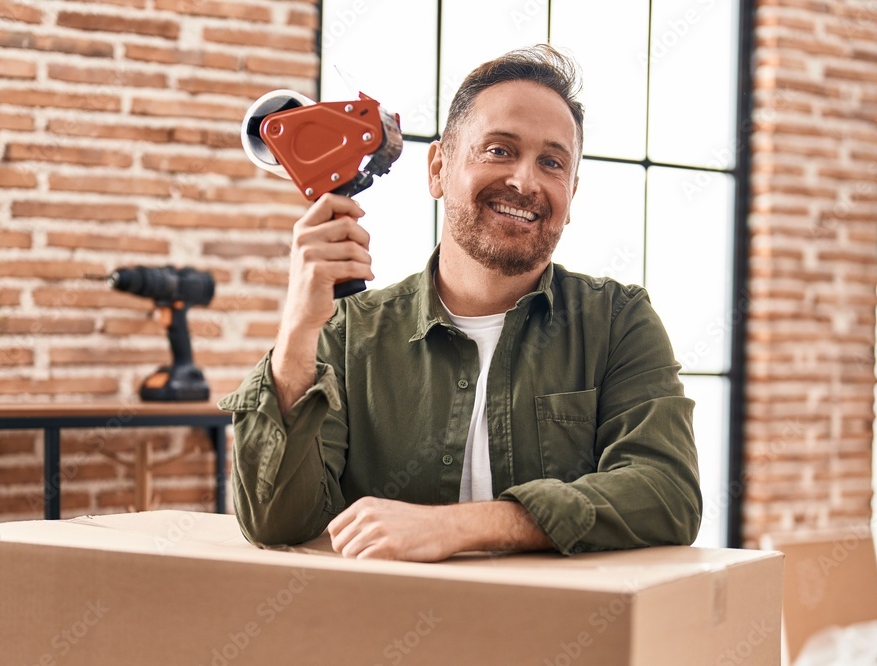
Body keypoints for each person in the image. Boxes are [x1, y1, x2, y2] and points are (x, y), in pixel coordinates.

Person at [219, 44, 701, 562]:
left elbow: (666, 492)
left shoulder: (619, 322)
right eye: (499, 150)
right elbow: (275, 520)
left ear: (572, 192)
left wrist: (465, 526)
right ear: (438, 168)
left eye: (552, 162)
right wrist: (297, 331)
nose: (525, 181)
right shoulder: (346, 333)